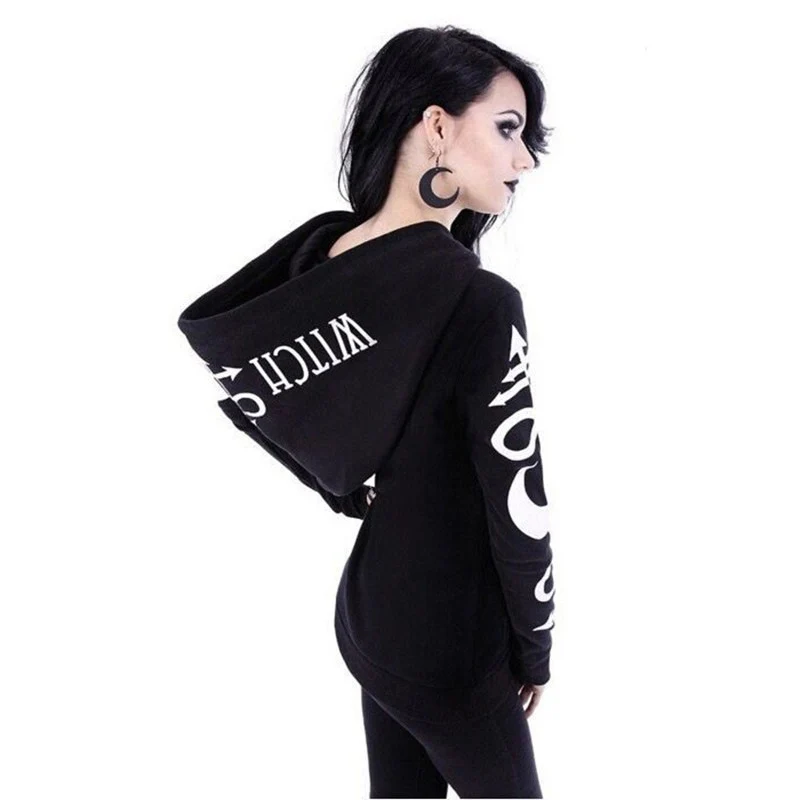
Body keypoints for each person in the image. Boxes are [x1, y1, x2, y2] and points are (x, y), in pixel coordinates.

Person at [177, 24, 556, 799]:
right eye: (508, 129)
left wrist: (344, 488)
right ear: (438, 126)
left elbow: (254, 393)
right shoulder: (478, 300)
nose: (524, 160)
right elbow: (517, 493)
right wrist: (535, 643)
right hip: (453, 638)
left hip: (373, 615)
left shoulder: (320, 265)